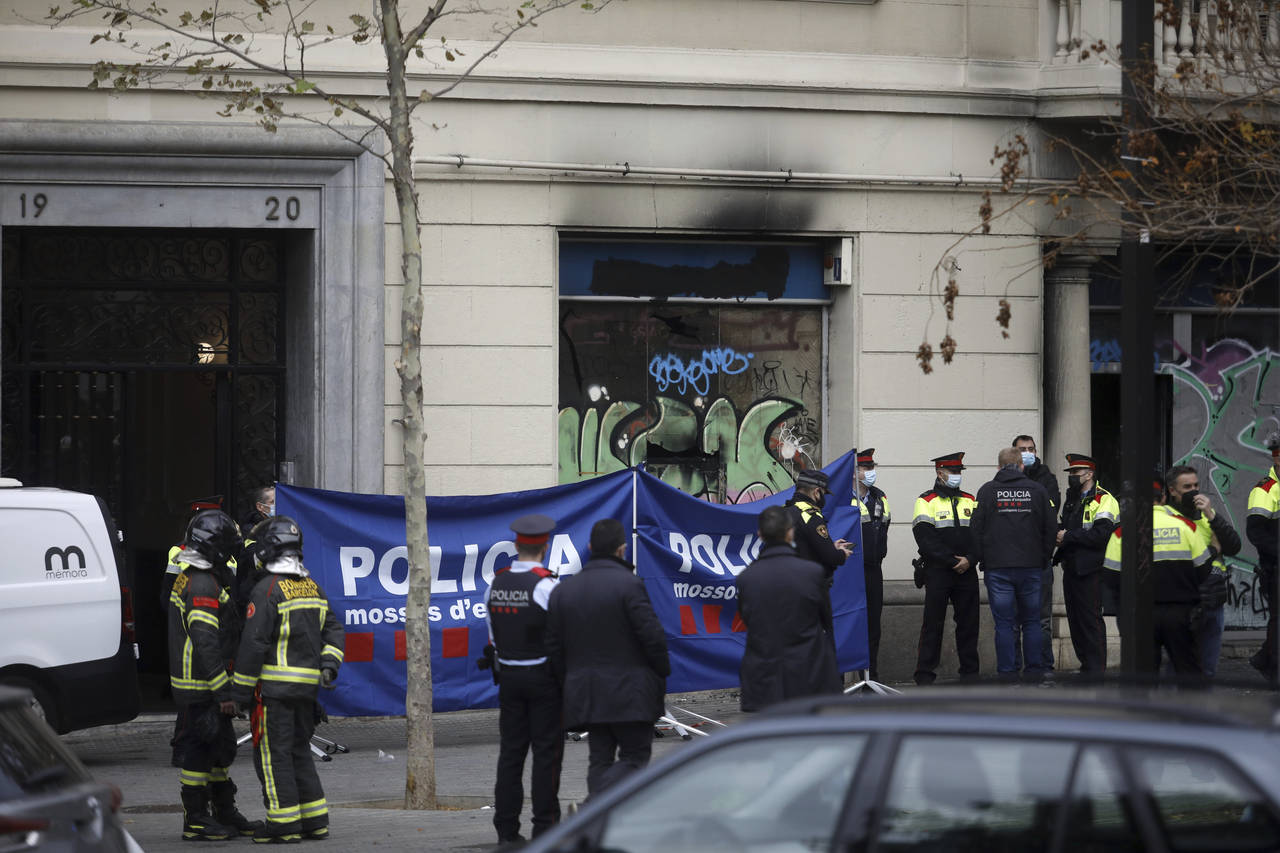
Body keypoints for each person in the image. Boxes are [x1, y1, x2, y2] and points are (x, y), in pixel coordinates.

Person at [230, 515, 344, 843]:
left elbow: (254, 645)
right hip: (306, 691)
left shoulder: (266, 589)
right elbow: (334, 629)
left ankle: (282, 824)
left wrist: (240, 693)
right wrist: (329, 666)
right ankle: (315, 821)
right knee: (298, 751)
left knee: (272, 754)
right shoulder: (312, 586)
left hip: (273, 693)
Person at [545, 519, 669, 798]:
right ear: (622, 549)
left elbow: (553, 648)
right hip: (630, 692)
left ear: (590, 547)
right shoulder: (630, 585)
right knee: (635, 758)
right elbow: (653, 638)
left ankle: (600, 822)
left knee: (599, 760)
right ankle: (596, 806)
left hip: (586, 693)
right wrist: (661, 674)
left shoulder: (564, 590)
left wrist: (569, 681)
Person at [167, 509, 261, 841]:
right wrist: (223, 693)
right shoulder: (202, 582)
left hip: (205, 682)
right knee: (199, 750)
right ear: (216, 548)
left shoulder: (199, 574)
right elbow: (206, 642)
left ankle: (224, 810)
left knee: (220, 748)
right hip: (202, 685)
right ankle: (196, 820)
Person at [485, 514, 563, 845]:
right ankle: (545, 828)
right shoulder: (547, 585)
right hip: (543, 679)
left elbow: (492, 638)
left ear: (516, 546)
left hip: (509, 678)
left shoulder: (496, 583)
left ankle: (506, 832)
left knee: (511, 755)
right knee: (546, 755)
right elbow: (562, 637)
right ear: (544, 547)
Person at [1103, 480, 1213, 683]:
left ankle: (1143, 713)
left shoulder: (1122, 533)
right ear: (1163, 497)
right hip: (1180, 613)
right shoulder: (1186, 526)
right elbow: (1205, 569)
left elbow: (1110, 577)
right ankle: (1192, 713)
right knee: (1188, 674)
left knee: (1142, 678)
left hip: (1140, 616)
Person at [735, 505, 842, 709]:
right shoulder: (812, 573)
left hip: (764, 676)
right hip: (808, 672)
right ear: (790, 531)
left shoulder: (746, 579)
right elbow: (825, 621)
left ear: (760, 534)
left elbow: (748, 619)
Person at [969, 448, 1056, 683]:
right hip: (1031, 566)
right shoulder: (1038, 491)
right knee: (1031, 622)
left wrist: (982, 559)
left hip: (998, 569)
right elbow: (1050, 529)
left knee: (1005, 625)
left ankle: (1007, 675)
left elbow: (975, 529)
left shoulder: (987, 492)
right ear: (1021, 466)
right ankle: (1034, 672)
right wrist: (1043, 558)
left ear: (998, 467)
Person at [1164, 464, 1240, 678]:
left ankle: (1200, 709)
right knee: (1179, 667)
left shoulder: (1208, 515)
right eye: (1187, 487)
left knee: (1207, 668)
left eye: (1196, 485)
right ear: (1172, 490)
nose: (1194, 491)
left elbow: (1234, 546)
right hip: (1184, 601)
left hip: (1213, 600)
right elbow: (1184, 561)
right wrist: (1214, 550)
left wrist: (1211, 514)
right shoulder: (1168, 518)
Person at [911, 452, 979, 686]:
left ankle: (970, 674)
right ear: (940, 473)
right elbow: (925, 538)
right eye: (953, 472)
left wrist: (970, 559)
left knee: (969, 624)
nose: (957, 476)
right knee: (933, 624)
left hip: (967, 571)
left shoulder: (970, 499)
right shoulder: (926, 501)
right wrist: (952, 561)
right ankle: (924, 675)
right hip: (938, 571)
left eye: (960, 472)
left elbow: (981, 535)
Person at [1054, 453, 1118, 677]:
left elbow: (1101, 535)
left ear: (1089, 474)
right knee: (1075, 621)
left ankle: (1096, 670)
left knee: (1090, 621)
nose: (1071, 476)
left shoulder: (1104, 499)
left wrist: (1067, 536)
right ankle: (1085, 666)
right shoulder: (1073, 498)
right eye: (1070, 472)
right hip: (1071, 568)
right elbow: (1066, 525)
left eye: (1075, 472)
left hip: (1092, 569)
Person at [1012, 435, 1060, 674]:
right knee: (1013, 623)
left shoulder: (1047, 479)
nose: (1028, 452)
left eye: (1031, 449)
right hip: (1012, 561)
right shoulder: (1006, 480)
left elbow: (1049, 514)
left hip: (1039, 561)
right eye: (1023, 449)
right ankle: (1014, 670)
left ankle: (1044, 668)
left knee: (1041, 621)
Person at [850, 448, 890, 681]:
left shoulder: (879, 496)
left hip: (874, 568)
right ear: (855, 472)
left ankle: (870, 677)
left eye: (872, 467)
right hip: (851, 570)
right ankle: (843, 679)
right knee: (851, 623)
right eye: (866, 467)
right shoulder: (844, 497)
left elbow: (884, 526)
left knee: (873, 625)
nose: (871, 471)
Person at [1246, 442, 1280, 684]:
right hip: (1276, 568)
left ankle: (1264, 659)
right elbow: (1256, 532)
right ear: (1276, 459)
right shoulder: (1265, 490)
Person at [785, 468, 852, 581]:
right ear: (816, 492)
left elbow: (804, 545)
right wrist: (841, 554)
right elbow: (831, 557)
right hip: (808, 584)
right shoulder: (811, 516)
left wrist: (831, 546)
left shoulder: (785, 511)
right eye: (823, 494)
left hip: (788, 581)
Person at [235, 485, 275, 606]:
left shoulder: (283, 524)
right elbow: (255, 560)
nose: (276, 505)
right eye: (272, 502)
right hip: (253, 594)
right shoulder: (250, 530)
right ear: (260, 507)